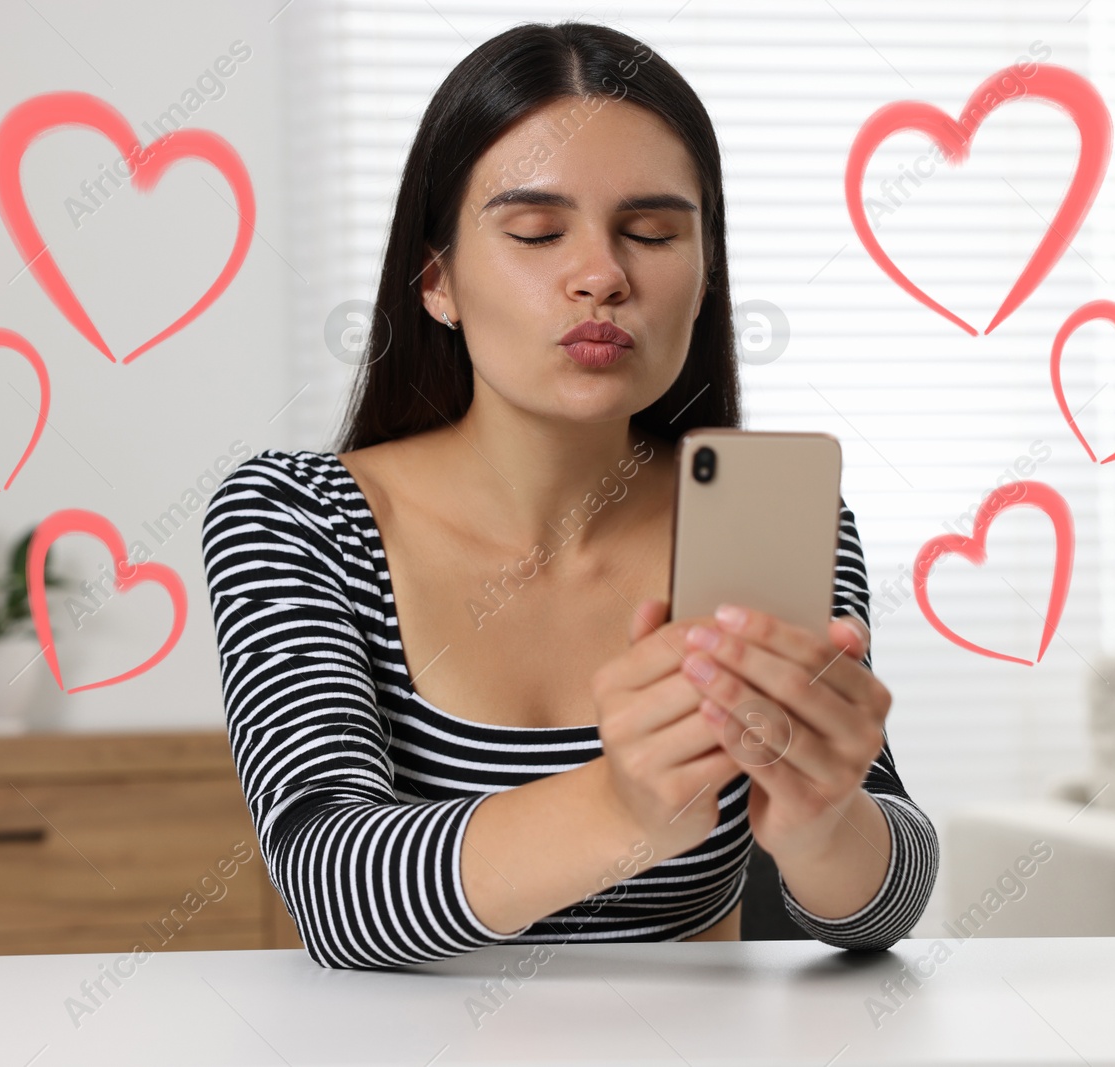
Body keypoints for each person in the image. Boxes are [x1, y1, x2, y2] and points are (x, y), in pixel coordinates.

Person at [201, 20, 938, 970]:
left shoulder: (774, 522)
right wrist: (618, 807)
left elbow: (884, 903)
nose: (602, 276)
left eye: (652, 232)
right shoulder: (298, 517)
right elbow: (328, 885)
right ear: (437, 282)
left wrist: (823, 822)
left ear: (705, 272)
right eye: (537, 232)